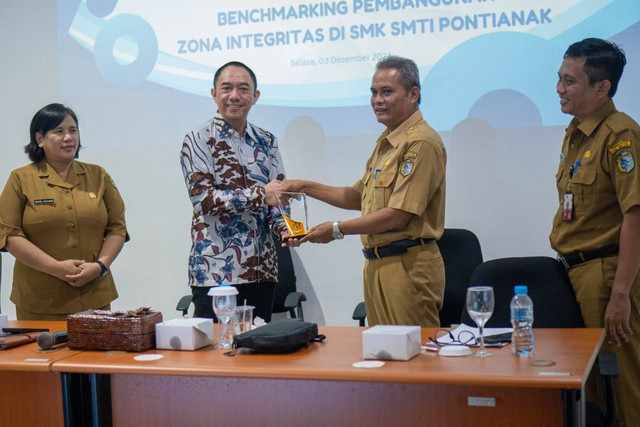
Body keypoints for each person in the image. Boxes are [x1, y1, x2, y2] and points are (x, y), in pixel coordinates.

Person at [279, 56, 446, 327]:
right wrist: (303, 187)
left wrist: (335, 229)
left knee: (413, 360)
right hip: (377, 265)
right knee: (383, 357)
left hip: (407, 266)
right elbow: (358, 197)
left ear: (413, 94)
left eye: (387, 92)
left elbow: (398, 215)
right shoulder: (388, 141)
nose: (377, 100)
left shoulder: (421, 142)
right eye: (374, 92)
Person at [551, 38, 640, 425]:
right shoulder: (576, 132)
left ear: (601, 87)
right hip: (573, 273)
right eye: (559, 78)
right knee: (588, 389)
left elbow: (636, 216)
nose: (559, 89)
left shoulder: (621, 136)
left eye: (569, 81)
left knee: (620, 385)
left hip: (606, 276)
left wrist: (620, 294)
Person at [180, 61, 287, 322]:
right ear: (214, 94)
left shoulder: (267, 141)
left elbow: (279, 198)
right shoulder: (198, 139)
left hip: (262, 271)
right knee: (216, 355)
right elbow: (203, 201)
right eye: (226, 88)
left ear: (255, 96)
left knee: (258, 352)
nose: (234, 96)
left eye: (243, 88)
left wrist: (287, 229)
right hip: (215, 272)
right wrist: (262, 195)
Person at [0, 103, 128, 320]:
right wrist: (56, 268)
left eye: (73, 130)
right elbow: (9, 236)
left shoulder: (99, 175)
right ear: (40, 139)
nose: (68, 137)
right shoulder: (20, 179)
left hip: (94, 295)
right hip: (39, 299)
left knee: (94, 354)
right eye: (59, 132)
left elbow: (118, 228)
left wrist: (99, 266)